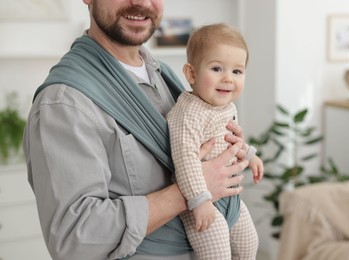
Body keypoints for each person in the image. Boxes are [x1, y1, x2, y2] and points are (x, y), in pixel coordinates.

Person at [22, 1, 253, 260]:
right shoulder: (65, 103)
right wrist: (192, 190)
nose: (142, 2)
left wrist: (229, 146)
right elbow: (75, 239)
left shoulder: (164, 75)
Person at [166, 23, 263, 259]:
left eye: (237, 72)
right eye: (217, 68)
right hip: (198, 196)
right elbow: (185, 158)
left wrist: (249, 155)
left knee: (250, 244)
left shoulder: (225, 106)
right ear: (191, 74)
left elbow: (229, 138)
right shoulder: (188, 112)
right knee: (218, 250)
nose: (228, 79)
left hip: (229, 196)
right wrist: (199, 201)